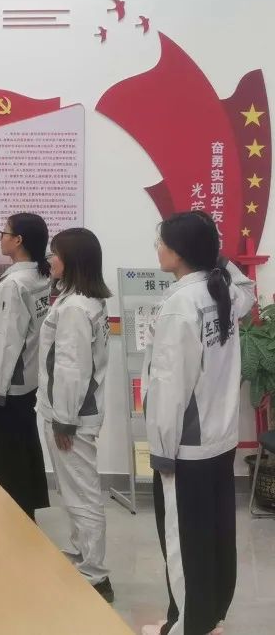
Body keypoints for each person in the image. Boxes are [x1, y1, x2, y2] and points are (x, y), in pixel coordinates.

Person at [140, 212, 254, 635]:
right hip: (219, 440)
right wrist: (216, 257)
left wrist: (161, 451)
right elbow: (248, 288)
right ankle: (207, 619)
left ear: (180, 251)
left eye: (162, 242)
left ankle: (187, 626)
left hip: (185, 449)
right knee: (215, 533)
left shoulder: (181, 303)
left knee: (183, 541)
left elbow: (169, 386)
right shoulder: (220, 289)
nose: (158, 248)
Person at [36, 227, 114, 603]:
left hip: (71, 417)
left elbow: (71, 368)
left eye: (55, 253)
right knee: (74, 490)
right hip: (69, 412)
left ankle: (95, 574)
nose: (50, 259)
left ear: (72, 260)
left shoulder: (75, 308)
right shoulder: (82, 300)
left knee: (82, 493)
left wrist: (64, 419)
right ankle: (82, 555)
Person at [0, 213, 52, 520]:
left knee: (5, 454)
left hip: (9, 384)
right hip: (29, 377)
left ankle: (12, 517)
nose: (1, 238)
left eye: (5, 233)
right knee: (25, 446)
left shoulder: (14, 284)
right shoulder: (40, 276)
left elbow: (6, 340)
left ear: (18, 240)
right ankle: (27, 510)